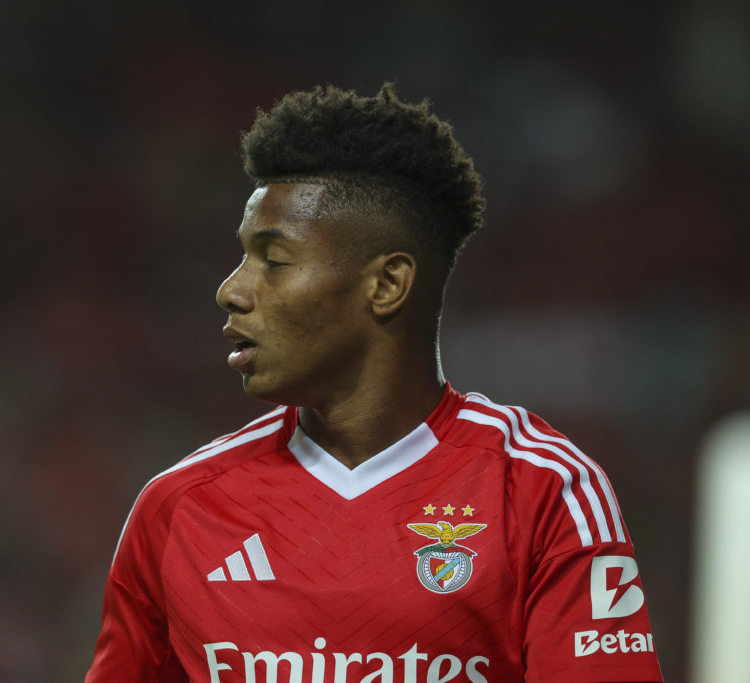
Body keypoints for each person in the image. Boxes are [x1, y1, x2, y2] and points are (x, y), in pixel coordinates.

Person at [85, 83, 664, 683]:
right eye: (241, 258)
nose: (231, 289)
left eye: (274, 261)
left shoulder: (544, 491)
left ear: (387, 285)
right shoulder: (180, 508)